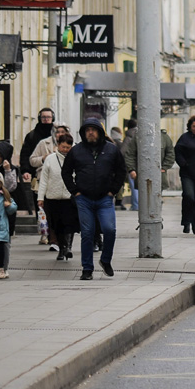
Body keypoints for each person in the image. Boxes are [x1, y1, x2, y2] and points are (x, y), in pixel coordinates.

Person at [61, 117, 125, 280]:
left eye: (93, 129)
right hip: (84, 199)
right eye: (87, 130)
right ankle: (87, 269)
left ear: (100, 132)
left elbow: (120, 171)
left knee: (109, 230)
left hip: (105, 198)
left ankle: (105, 260)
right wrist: (75, 191)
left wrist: (113, 191)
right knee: (87, 233)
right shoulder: (76, 151)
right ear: (83, 133)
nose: (90, 132)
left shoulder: (111, 150)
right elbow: (66, 172)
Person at [36, 133, 78, 261]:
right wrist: (40, 197)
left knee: (69, 224)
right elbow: (44, 179)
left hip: (68, 197)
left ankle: (68, 247)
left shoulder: (74, 159)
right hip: (52, 197)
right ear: (58, 145)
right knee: (56, 225)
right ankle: (62, 248)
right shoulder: (50, 159)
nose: (65, 149)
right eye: (63, 147)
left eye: (68, 147)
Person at [120, 121, 177, 208]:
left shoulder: (164, 137)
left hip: (158, 175)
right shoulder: (138, 137)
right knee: (144, 201)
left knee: (156, 200)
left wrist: (164, 167)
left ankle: (155, 217)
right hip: (142, 174)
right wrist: (131, 169)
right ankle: (144, 215)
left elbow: (170, 153)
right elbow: (129, 154)